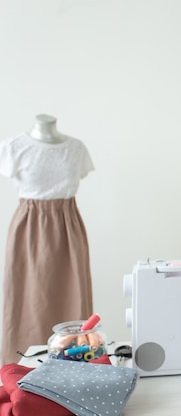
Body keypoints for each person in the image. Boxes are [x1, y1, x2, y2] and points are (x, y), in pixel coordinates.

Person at [0, 114, 94, 364]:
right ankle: (20, 373)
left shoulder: (75, 148)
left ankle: (75, 367)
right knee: (27, 302)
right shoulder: (14, 147)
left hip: (68, 228)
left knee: (74, 298)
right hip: (29, 229)